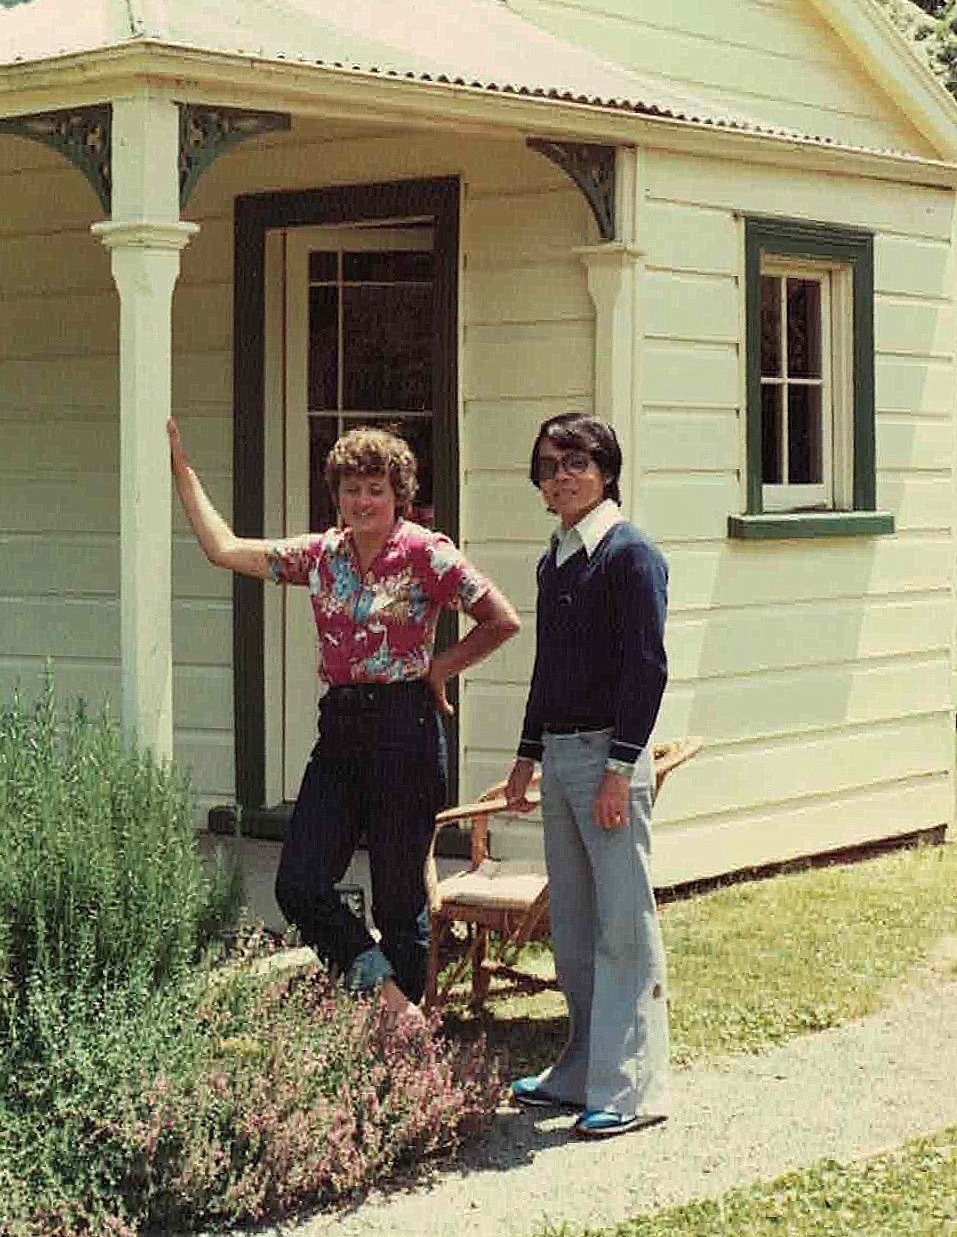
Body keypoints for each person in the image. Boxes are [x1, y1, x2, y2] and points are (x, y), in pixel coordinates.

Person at [168, 418, 519, 1018]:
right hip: (341, 732)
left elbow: (501, 619)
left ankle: (401, 1046)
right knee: (299, 883)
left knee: (398, 898)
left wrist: (438, 670)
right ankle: (391, 1004)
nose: (362, 501)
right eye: (351, 489)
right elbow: (223, 550)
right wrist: (181, 470)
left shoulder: (426, 554)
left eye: (375, 489)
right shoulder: (323, 555)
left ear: (398, 493)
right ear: (337, 495)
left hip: (404, 730)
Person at [505, 412, 670, 1137]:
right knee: (571, 926)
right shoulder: (557, 558)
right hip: (562, 756)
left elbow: (646, 669)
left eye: (574, 463)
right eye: (548, 466)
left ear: (605, 469)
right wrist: (523, 757)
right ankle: (578, 1071)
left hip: (610, 759)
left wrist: (618, 769)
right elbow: (548, 669)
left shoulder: (629, 555)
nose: (560, 476)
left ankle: (630, 1088)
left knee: (621, 926)